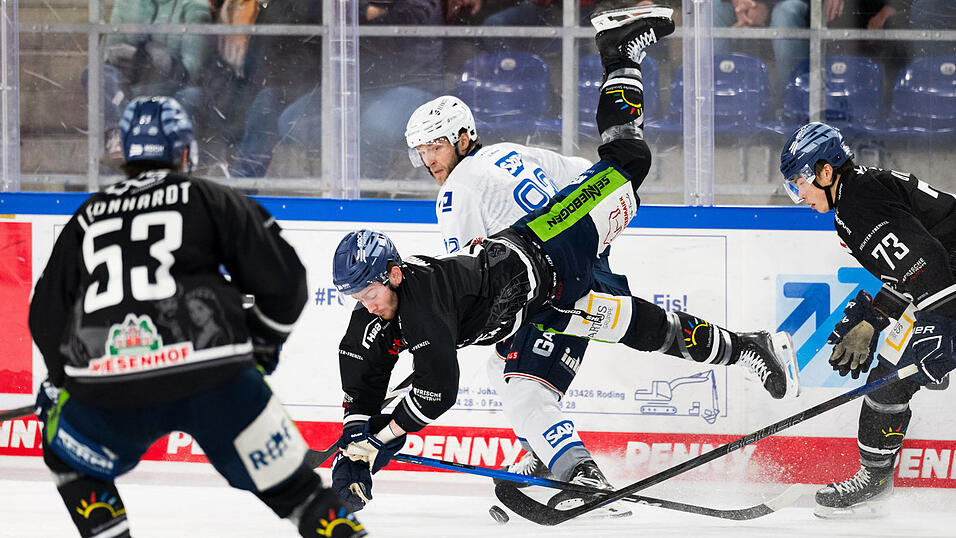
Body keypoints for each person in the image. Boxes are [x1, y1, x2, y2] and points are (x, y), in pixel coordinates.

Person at [329, 2, 800, 515]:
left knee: (524, 376)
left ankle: (620, 53)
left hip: (546, 267)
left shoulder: (455, 192)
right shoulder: (512, 151)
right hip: (576, 245)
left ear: (463, 136)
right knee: (628, 322)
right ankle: (744, 349)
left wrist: (376, 437)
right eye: (421, 151)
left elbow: (468, 279)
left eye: (436, 147)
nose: (429, 160)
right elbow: (576, 174)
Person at [28, 96, 366, 538]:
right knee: (298, 492)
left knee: (68, 460)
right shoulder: (210, 198)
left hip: (112, 385)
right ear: (187, 153)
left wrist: (63, 380)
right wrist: (260, 346)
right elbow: (285, 283)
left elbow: (46, 314)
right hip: (217, 379)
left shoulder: (88, 215)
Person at [779, 121, 956, 518]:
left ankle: (874, 479)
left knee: (896, 374)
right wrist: (874, 318)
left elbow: (928, 264)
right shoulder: (856, 196)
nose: (799, 195)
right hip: (947, 282)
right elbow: (912, 267)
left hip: (949, 287)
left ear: (826, 171)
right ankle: (875, 479)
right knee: (887, 379)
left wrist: (942, 325)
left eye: (799, 182)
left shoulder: (858, 205)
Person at [84, 0, 212, 166]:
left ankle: (172, 156)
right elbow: (107, 55)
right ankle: (117, 139)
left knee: (191, 96)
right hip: (131, 85)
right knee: (97, 74)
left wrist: (143, 57)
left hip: (172, 85)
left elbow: (192, 68)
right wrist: (139, 57)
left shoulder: (194, 6)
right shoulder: (127, 3)